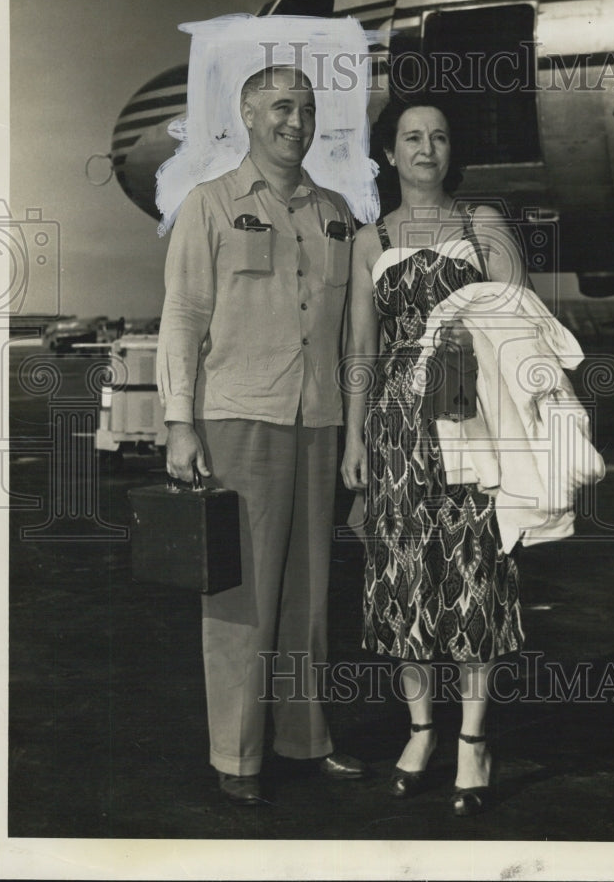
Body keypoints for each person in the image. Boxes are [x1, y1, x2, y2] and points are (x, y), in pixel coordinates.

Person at [157, 65, 366, 805]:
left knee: (310, 598)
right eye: (281, 106)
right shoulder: (208, 206)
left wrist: (355, 431)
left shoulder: (336, 212)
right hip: (239, 418)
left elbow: (351, 336)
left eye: (307, 109)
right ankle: (236, 758)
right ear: (248, 114)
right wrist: (180, 422)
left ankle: (305, 740)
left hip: (317, 421)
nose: (296, 121)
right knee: (241, 600)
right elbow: (182, 316)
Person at [341, 97, 526, 816]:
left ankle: (475, 741)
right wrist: (355, 435)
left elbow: (523, 329)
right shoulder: (369, 239)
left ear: (454, 151)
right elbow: (360, 347)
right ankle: (421, 732)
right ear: (389, 153)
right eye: (411, 138)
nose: (426, 149)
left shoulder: (483, 226)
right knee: (403, 574)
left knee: (474, 570)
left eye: (439, 137)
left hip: (469, 422)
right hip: (395, 429)